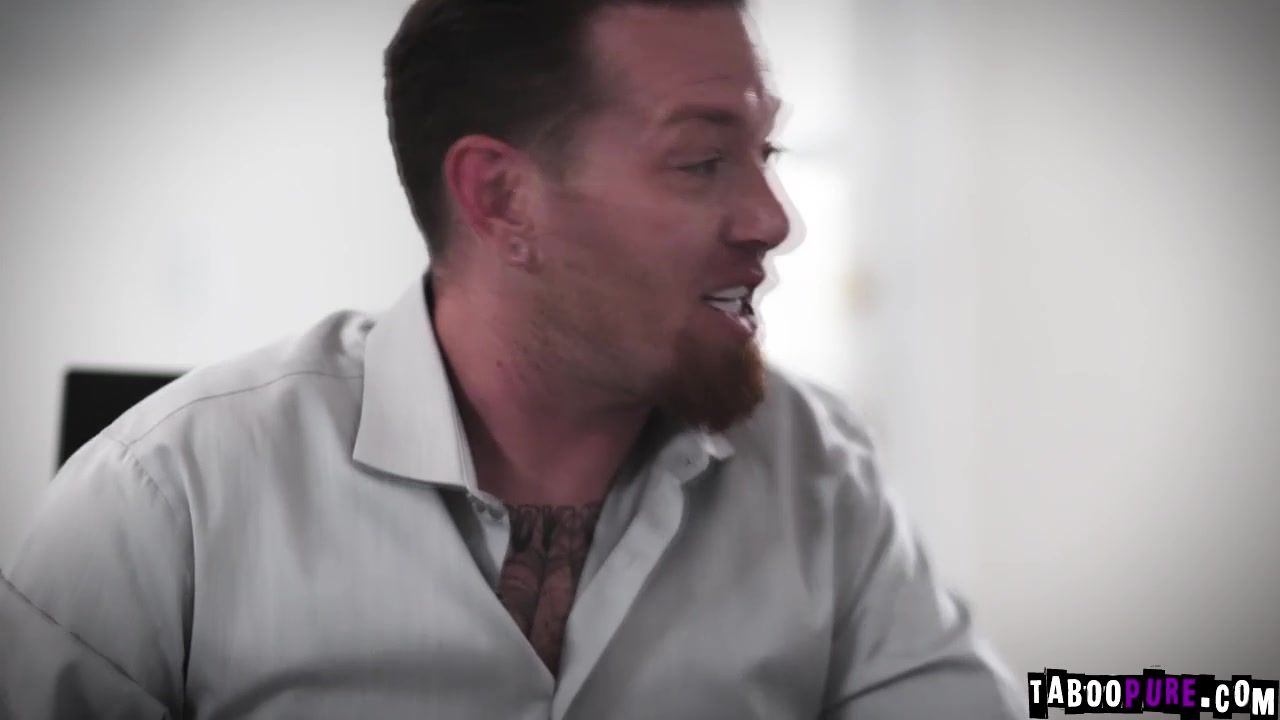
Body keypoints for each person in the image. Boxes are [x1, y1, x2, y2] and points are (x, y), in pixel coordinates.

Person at [0, 0, 1024, 717]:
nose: (773, 220)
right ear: (501, 198)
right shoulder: (165, 498)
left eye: (766, 155)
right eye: (703, 160)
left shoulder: (817, 469)